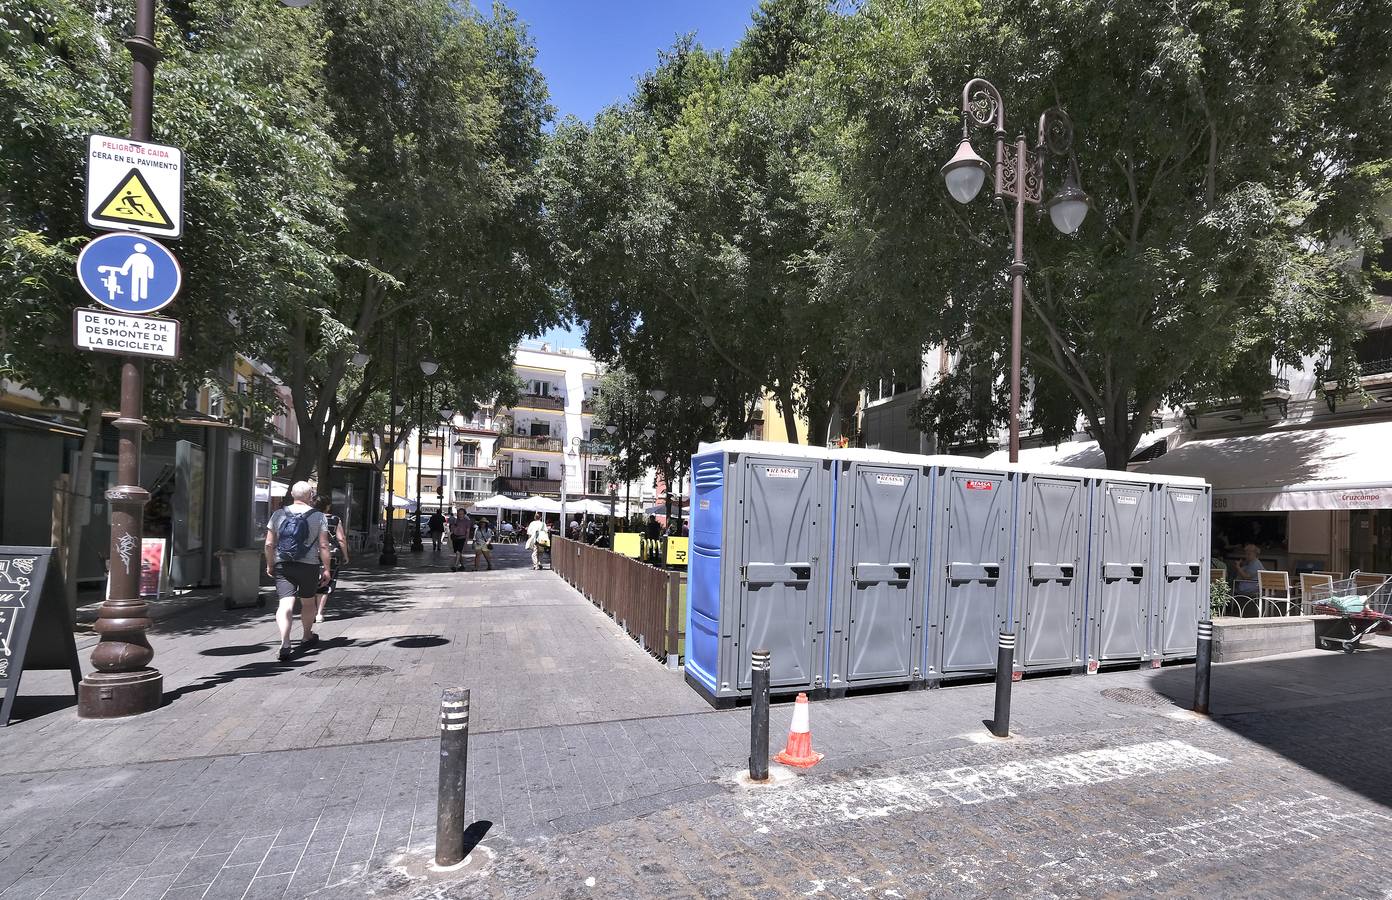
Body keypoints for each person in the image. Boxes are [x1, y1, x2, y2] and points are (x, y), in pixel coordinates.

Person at [264, 481, 332, 661]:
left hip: (283, 564)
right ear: (310, 496)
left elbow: (269, 544)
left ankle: (285, 642)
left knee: (285, 604)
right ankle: (306, 635)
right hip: (309, 565)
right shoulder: (318, 516)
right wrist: (327, 568)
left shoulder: (278, 514)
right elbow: (324, 545)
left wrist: (270, 564)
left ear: (292, 495)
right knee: (308, 603)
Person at [313, 496, 349, 623]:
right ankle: (319, 613)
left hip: (311, 554)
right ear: (328, 506)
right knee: (327, 582)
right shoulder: (335, 519)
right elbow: (341, 539)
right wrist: (345, 555)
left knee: (311, 581)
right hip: (331, 553)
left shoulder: (309, 518)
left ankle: (310, 610)